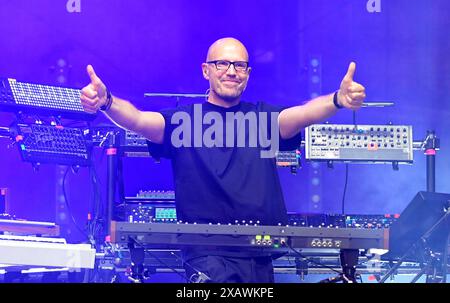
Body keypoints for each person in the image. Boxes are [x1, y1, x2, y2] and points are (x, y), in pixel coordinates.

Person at [81, 37, 366, 283]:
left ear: (248, 73)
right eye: (222, 64)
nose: (231, 71)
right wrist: (107, 102)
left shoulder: (262, 120)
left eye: (239, 65)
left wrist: (338, 100)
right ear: (206, 70)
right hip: (206, 254)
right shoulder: (184, 121)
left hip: (259, 253)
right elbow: (139, 120)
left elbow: (303, 113)